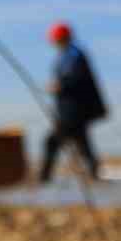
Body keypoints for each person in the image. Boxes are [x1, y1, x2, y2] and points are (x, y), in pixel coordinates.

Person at [40, 22, 108, 183]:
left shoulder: (75, 55)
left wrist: (59, 86)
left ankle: (44, 178)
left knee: (52, 141)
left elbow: (77, 79)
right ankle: (94, 174)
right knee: (82, 142)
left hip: (75, 110)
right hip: (68, 109)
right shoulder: (65, 56)